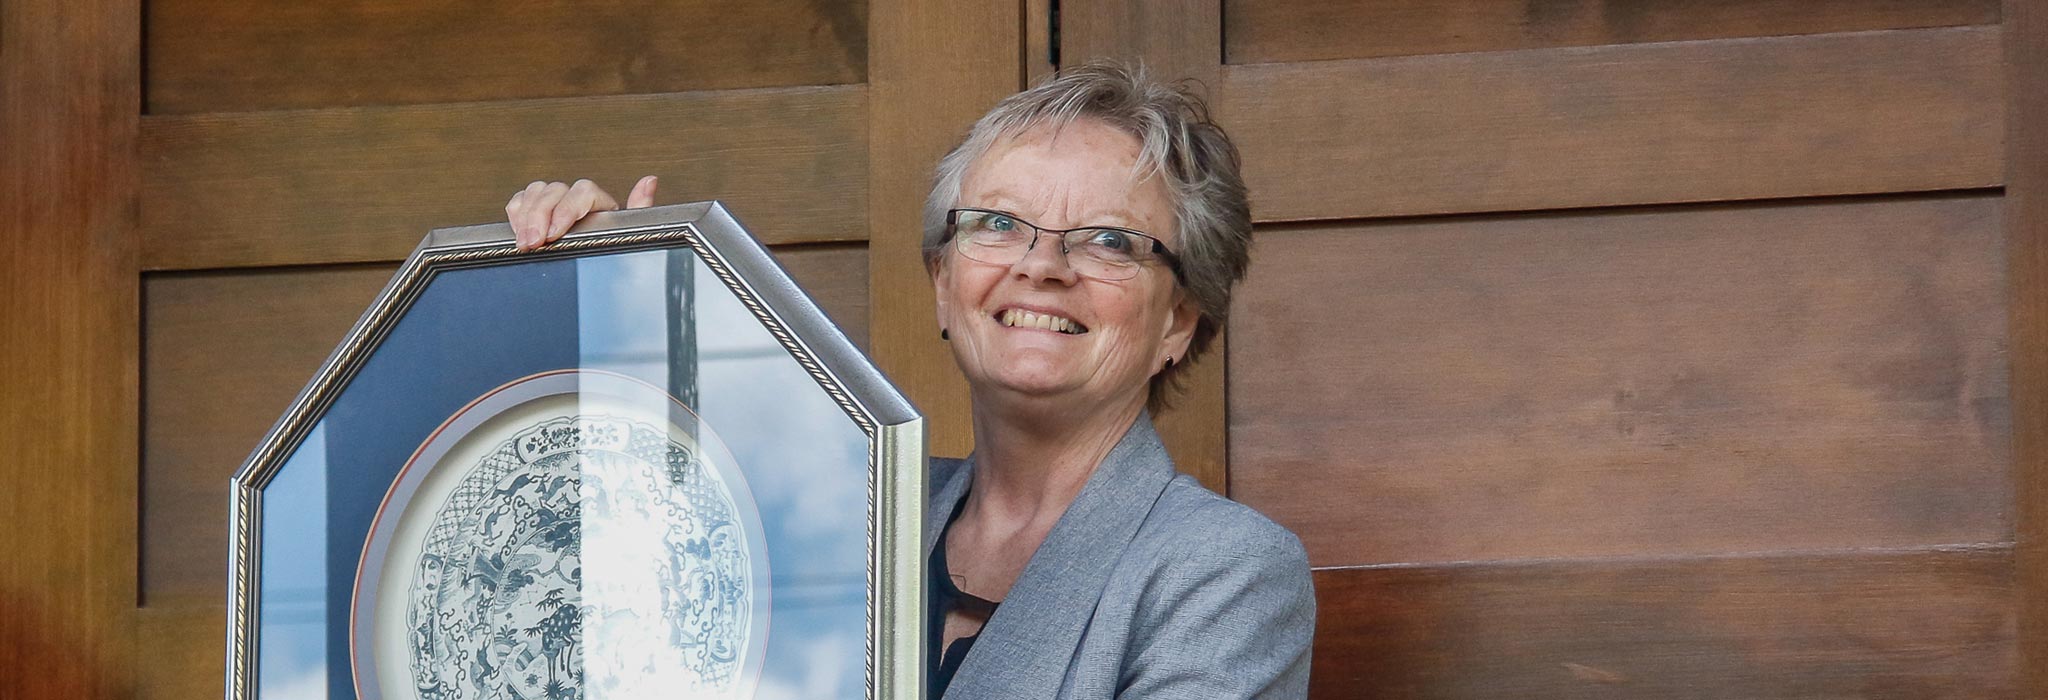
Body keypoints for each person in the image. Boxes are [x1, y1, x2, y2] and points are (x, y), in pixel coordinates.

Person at [505, 61, 1314, 699]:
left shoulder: (1226, 573)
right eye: (998, 224)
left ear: (1180, 319)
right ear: (941, 280)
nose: (1040, 266)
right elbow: (621, 595)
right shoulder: (837, 514)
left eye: (1107, 240)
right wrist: (606, 286)